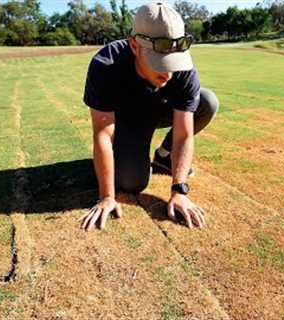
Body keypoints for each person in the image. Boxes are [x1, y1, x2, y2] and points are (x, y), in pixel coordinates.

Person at [78, 2, 219, 231]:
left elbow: (184, 134)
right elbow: (103, 134)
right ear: (134, 45)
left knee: (208, 102)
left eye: (173, 62)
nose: (168, 73)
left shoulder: (183, 72)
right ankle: (124, 155)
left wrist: (179, 190)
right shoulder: (105, 65)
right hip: (127, 119)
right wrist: (107, 197)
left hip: (160, 109)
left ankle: (164, 156)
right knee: (132, 183)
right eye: (159, 63)